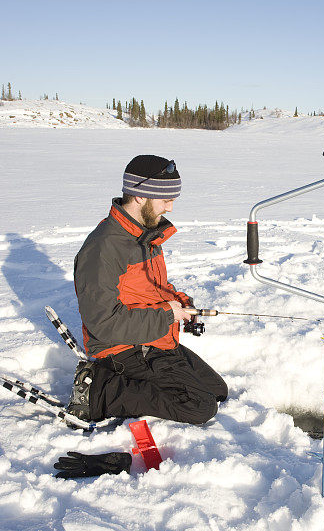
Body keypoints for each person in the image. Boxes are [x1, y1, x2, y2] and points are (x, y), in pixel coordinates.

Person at [67, 154, 228, 425]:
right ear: (140, 196)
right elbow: (102, 324)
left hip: (154, 335)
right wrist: (167, 316)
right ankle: (100, 391)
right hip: (124, 347)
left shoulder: (143, 234)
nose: (170, 208)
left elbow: (152, 288)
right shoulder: (104, 247)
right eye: (166, 200)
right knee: (200, 406)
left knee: (216, 391)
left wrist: (181, 303)